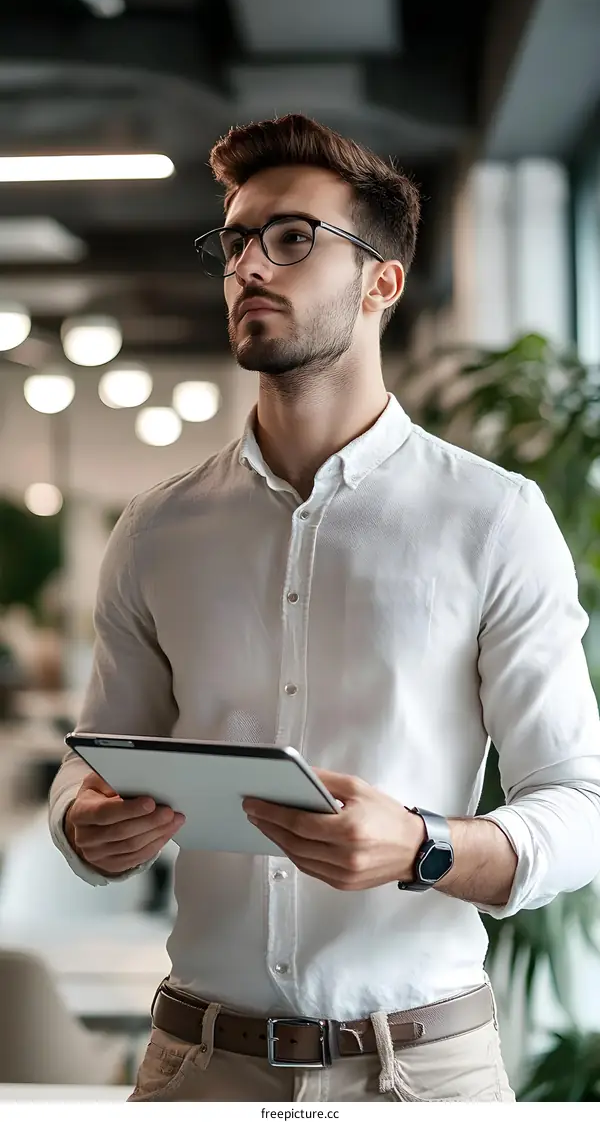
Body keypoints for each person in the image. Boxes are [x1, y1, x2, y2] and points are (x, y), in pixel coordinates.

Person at [49, 114, 600, 1103]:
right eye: (237, 239)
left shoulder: (494, 519)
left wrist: (426, 844)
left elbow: (583, 806)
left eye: (293, 237)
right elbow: (94, 757)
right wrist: (82, 822)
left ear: (383, 281)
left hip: (422, 1070)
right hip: (196, 1065)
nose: (250, 264)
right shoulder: (155, 529)